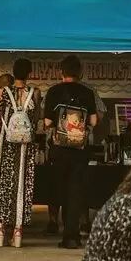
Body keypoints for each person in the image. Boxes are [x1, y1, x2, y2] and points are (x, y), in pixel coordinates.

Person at [0, 58, 40, 248]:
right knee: (22, 185)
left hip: (6, 144)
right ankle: (18, 233)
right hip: (26, 147)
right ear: (29, 73)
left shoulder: (2, 93)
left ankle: (0, 231)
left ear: (13, 72)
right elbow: (36, 121)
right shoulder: (35, 94)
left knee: (3, 184)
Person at [44, 55, 98, 249]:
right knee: (75, 192)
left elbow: (48, 122)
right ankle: (72, 236)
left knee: (62, 191)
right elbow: (93, 122)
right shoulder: (87, 92)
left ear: (61, 72)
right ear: (80, 72)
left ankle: (65, 233)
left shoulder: (54, 91)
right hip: (80, 151)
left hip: (59, 150)